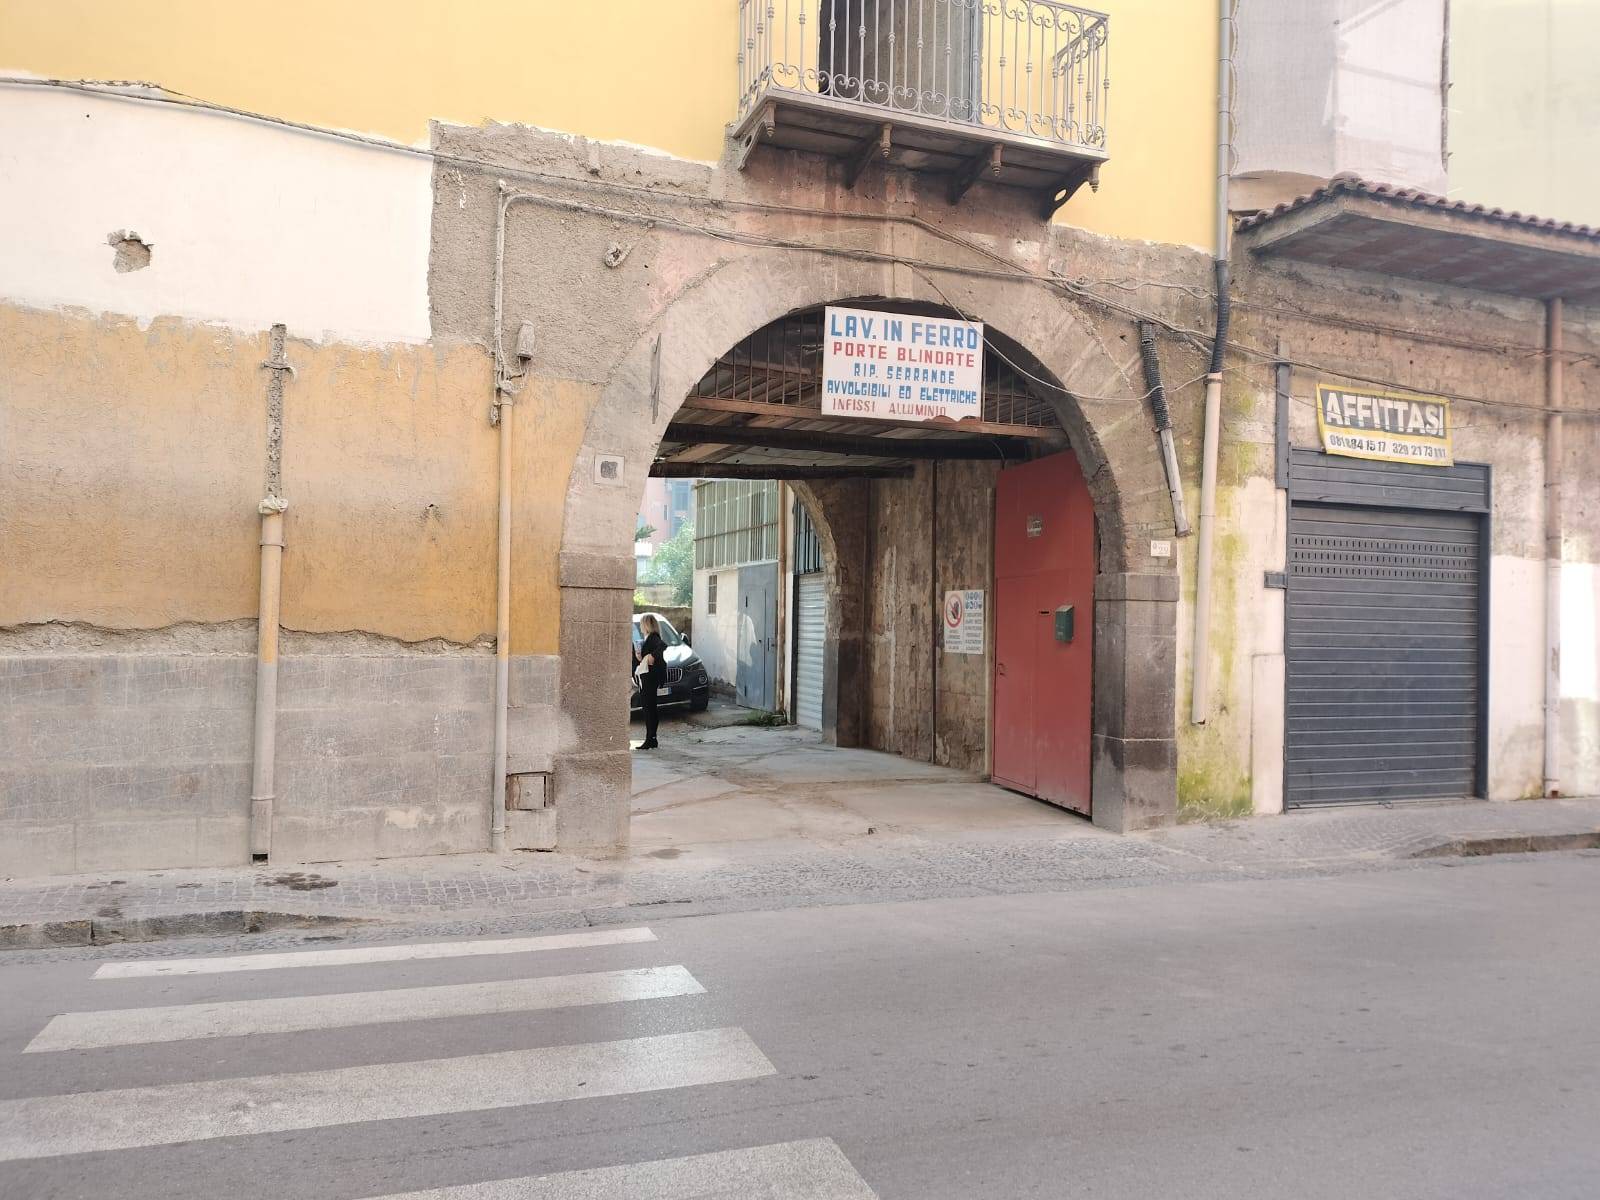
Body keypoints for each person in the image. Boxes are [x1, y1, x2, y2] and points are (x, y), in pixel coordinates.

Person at [635, 613, 667, 750]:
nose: (640, 626)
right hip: (648, 678)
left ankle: (650, 739)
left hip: (650, 679)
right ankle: (652, 739)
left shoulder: (654, 637)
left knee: (649, 709)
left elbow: (662, 646)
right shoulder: (648, 638)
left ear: (646, 625)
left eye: (642, 624)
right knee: (650, 709)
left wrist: (652, 656)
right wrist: (640, 656)